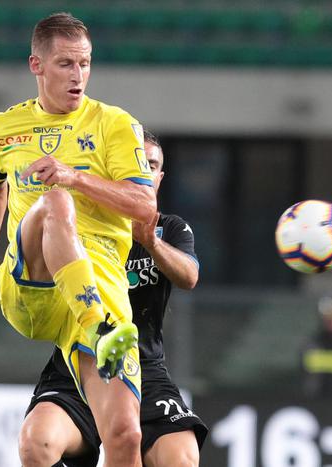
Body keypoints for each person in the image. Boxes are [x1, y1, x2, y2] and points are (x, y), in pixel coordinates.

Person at [0, 12, 156, 467]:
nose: (78, 75)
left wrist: (75, 176)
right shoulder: (4, 129)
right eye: (66, 64)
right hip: (34, 284)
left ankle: (96, 325)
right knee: (55, 203)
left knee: (125, 435)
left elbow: (145, 206)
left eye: (85, 63)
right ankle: (99, 327)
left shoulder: (115, 124)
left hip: (100, 284)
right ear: (37, 65)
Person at [19, 131, 208, 467]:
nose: (144, 172)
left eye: (151, 166)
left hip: (145, 368)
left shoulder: (171, 229)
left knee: (181, 458)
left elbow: (189, 276)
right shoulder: (78, 223)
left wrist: (151, 243)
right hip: (79, 362)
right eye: (137, 163)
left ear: (159, 178)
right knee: (37, 444)